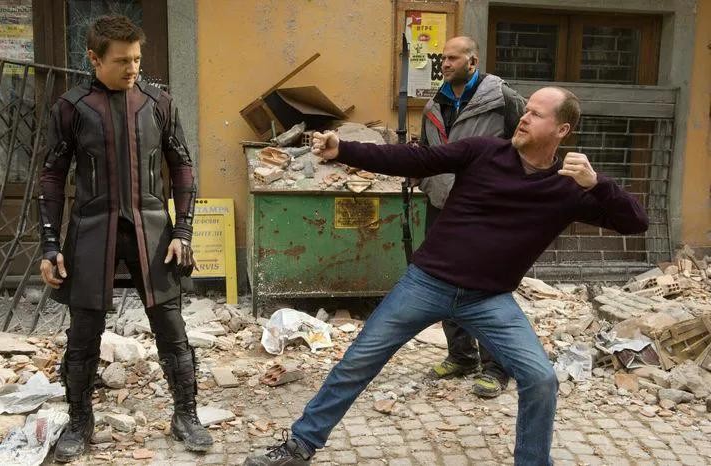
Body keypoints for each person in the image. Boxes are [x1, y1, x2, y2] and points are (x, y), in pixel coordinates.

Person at [243, 86, 648, 466]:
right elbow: (416, 160)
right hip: (426, 283)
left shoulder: (568, 189)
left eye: (536, 114)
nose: (524, 118)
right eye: (525, 110)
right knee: (357, 362)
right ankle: (300, 445)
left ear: (561, 129)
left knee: (541, 379)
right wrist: (345, 149)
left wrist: (598, 183)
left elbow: (635, 223)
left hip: (488, 299)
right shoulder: (483, 152)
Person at [38, 15, 212, 462]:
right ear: (94, 59)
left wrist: (183, 230)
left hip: (153, 229)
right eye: (121, 60)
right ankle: (80, 421)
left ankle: (186, 415)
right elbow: (52, 176)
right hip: (91, 230)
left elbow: (183, 167)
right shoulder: (72, 107)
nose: (132, 67)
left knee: (171, 328)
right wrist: (50, 245)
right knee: (83, 333)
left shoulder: (159, 103)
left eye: (136, 58)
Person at [419, 35, 522, 399]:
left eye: (452, 58)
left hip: (487, 210)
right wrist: (425, 182)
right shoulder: (434, 104)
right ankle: (461, 356)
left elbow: (529, 149)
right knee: (443, 280)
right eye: (443, 58)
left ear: (472, 62)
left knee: (486, 286)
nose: (445, 64)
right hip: (443, 206)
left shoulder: (504, 100)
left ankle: (497, 367)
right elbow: (426, 153)